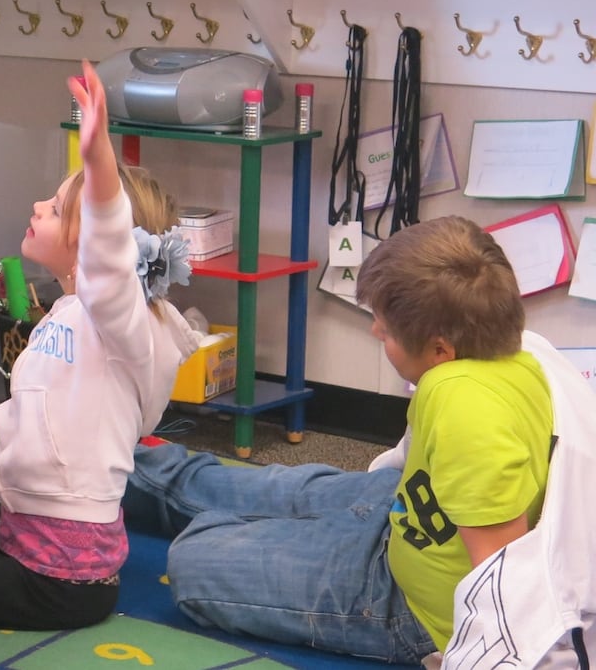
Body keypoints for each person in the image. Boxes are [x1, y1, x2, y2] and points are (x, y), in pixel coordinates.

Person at [123, 215, 553, 664]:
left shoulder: (464, 405)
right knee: (268, 489)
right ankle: (114, 465)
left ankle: (189, 504)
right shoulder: (516, 357)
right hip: (402, 509)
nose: (375, 332)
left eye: (385, 331)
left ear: (441, 350)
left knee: (193, 562)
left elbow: (500, 583)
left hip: (408, 604)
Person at [0, 60, 200, 631]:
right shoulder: (74, 310)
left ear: (95, 241)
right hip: (26, 526)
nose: (39, 208)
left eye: (59, 208)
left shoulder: (121, 318)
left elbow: (111, 257)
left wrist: (98, 161)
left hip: (61, 581)